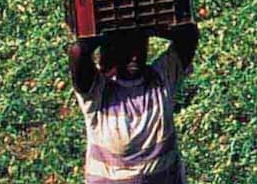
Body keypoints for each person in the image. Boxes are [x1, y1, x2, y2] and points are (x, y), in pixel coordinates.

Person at [67, 23, 200, 184]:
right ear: (114, 51)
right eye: (127, 50)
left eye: (140, 47)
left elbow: (189, 34)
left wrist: (148, 28)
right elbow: (78, 51)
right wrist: (109, 34)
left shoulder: (161, 78)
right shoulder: (98, 93)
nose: (135, 57)